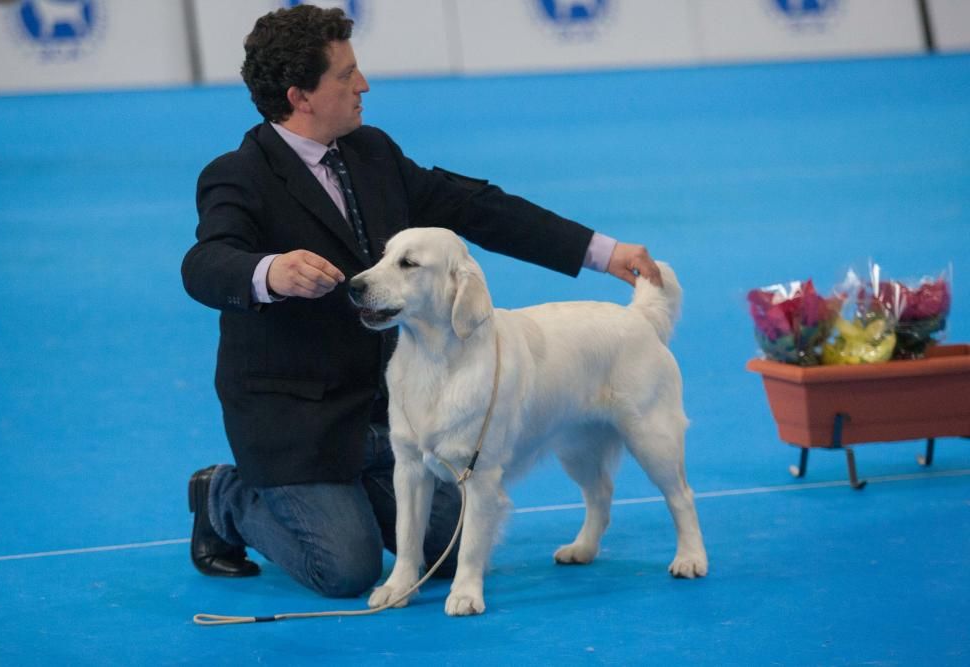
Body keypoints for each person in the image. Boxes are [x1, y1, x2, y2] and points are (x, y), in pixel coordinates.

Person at [181, 4, 663, 598]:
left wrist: (601, 251)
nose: (363, 85)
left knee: (461, 545)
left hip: (389, 412)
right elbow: (204, 264)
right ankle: (224, 496)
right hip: (299, 423)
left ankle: (355, 493)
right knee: (346, 570)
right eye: (345, 74)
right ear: (299, 95)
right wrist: (269, 271)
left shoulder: (372, 152)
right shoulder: (238, 176)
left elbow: (475, 207)